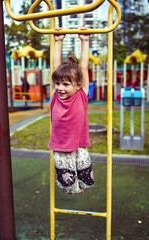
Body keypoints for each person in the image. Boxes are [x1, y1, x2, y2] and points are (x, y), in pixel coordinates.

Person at [48, 27, 94, 194]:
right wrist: (58, 41)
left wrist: (85, 41)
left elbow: (83, 67)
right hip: (60, 146)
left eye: (66, 84)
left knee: (86, 179)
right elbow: (55, 66)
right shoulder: (55, 96)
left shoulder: (81, 95)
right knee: (67, 181)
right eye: (58, 83)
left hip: (79, 144)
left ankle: (78, 186)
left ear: (78, 85)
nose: (60, 88)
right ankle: (68, 186)